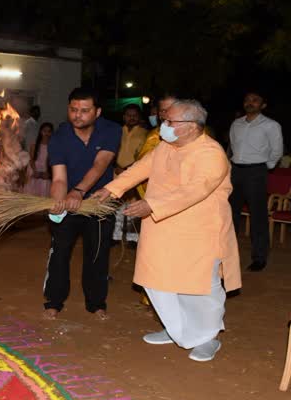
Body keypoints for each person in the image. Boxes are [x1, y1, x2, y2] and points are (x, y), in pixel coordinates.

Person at [94, 99, 241, 362]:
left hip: (199, 231)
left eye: (170, 122)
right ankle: (177, 330)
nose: (164, 126)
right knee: (157, 281)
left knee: (198, 288)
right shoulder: (166, 146)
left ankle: (208, 337)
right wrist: (112, 188)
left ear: (192, 127)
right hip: (161, 226)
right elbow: (140, 168)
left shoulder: (211, 153)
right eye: (165, 120)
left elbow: (195, 190)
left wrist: (151, 204)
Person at [44, 88, 121, 320]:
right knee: (59, 254)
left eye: (84, 111)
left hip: (98, 204)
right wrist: (57, 201)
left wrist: (79, 191)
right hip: (69, 203)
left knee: (97, 254)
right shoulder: (59, 137)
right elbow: (58, 178)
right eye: (73, 110)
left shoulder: (111, 130)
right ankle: (54, 301)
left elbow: (101, 164)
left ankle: (97, 303)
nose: (78, 115)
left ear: (97, 112)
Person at [228, 90, 284, 271]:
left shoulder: (271, 125)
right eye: (247, 100)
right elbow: (232, 147)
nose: (250, 103)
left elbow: (277, 150)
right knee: (229, 214)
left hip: (256, 172)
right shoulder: (236, 123)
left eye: (255, 100)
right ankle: (227, 252)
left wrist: (264, 167)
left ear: (263, 105)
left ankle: (259, 257)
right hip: (235, 171)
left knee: (258, 216)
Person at [112, 104, 148, 246]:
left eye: (134, 115)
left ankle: (132, 238)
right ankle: (116, 236)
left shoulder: (145, 133)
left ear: (139, 117)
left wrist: (128, 169)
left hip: (135, 174)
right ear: (124, 117)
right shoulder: (117, 131)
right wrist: (116, 166)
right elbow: (110, 150)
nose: (131, 118)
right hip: (116, 172)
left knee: (134, 205)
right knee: (117, 205)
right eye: (128, 115)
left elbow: (145, 155)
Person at [23, 122, 53, 196]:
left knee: (43, 193)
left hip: (46, 171)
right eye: (44, 131)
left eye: (49, 131)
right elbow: (32, 160)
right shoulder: (34, 145)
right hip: (34, 169)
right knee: (32, 193)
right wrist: (35, 171)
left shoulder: (52, 146)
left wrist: (48, 173)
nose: (46, 133)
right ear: (40, 132)